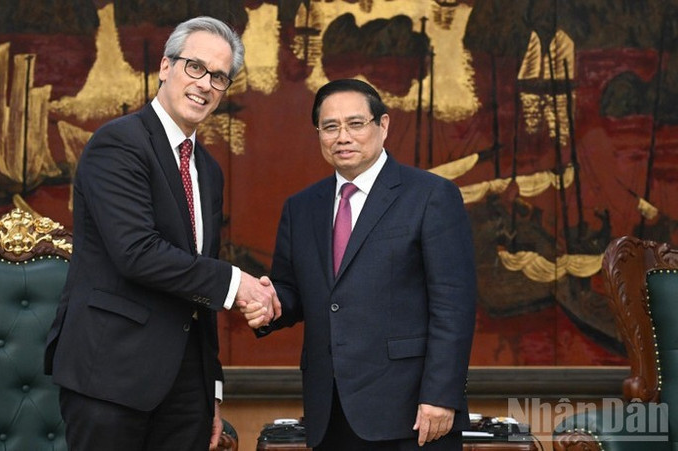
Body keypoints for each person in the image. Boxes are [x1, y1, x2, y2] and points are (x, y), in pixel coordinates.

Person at [45, 16, 279, 451]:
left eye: (219, 77)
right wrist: (237, 283)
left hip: (185, 388)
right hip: (111, 378)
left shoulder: (207, 170)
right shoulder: (117, 144)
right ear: (166, 68)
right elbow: (137, 252)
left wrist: (211, 389)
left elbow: (196, 285)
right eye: (195, 67)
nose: (205, 84)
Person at [240, 79, 477, 450]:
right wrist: (270, 304)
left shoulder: (431, 196)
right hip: (330, 410)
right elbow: (294, 290)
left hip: (412, 412)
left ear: (383, 126)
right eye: (330, 127)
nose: (342, 137)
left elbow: (454, 307)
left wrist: (442, 395)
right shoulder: (301, 207)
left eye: (355, 124)